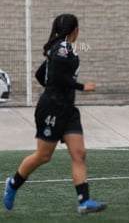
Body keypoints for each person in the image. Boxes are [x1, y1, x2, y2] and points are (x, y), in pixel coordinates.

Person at [3, 14, 107, 214]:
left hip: (68, 110)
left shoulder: (62, 48)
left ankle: (83, 201)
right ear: (74, 30)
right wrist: (81, 86)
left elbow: (41, 74)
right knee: (43, 156)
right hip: (51, 109)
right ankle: (13, 184)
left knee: (79, 153)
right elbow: (57, 76)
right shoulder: (60, 47)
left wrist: (56, 88)